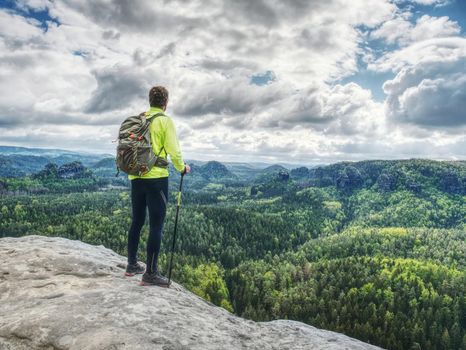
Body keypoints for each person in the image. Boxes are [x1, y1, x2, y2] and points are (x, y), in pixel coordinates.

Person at [125, 86, 191, 287]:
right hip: (157, 179)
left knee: (137, 221)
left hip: (136, 176)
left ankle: (131, 265)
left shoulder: (139, 119)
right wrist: (182, 168)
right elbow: (174, 151)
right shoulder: (164, 121)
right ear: (166, 102)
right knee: (156, 225)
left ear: (149, 100)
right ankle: (150, 273)